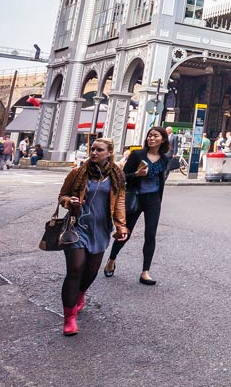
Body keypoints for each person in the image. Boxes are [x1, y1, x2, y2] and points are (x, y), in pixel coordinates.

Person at [57, 137, 128, 335]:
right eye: (93, 149)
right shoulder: (78, 173)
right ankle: (69, 318)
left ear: (109, 153)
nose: (94, 153)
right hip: (77, 227)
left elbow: (120, 201)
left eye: (99, 150)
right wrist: (69, 202)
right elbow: (61, 196)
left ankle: (81, 294)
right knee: (75, 268)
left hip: (101, 229)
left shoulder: (116, 175)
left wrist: (121, 226)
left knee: (90, 272)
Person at [103, 127, 171, 285]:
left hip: (153, 200)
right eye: (149, 136)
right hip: (136, 198)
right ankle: (111, 259)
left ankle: (145, 272)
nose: (151, 138)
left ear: (163, 140)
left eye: (155, 136)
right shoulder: (137, 155)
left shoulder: (165, 159)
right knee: (125, 232)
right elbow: (122, 177)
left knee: (150, 234)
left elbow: (162, 180)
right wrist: (136, 175)